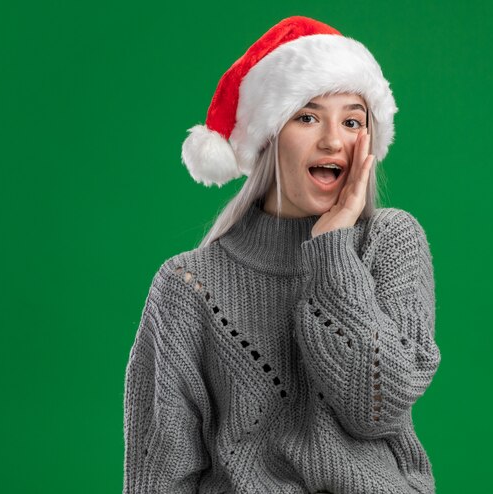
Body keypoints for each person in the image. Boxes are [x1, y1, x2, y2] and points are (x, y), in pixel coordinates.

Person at [122, 16, 441, 494]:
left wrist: (333, 250)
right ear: (269, 136)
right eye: (308, 116)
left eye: (353, 120)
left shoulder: (390, 242)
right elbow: (159, 474)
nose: (334, 140)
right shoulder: (188, 284)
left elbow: (377, 406)